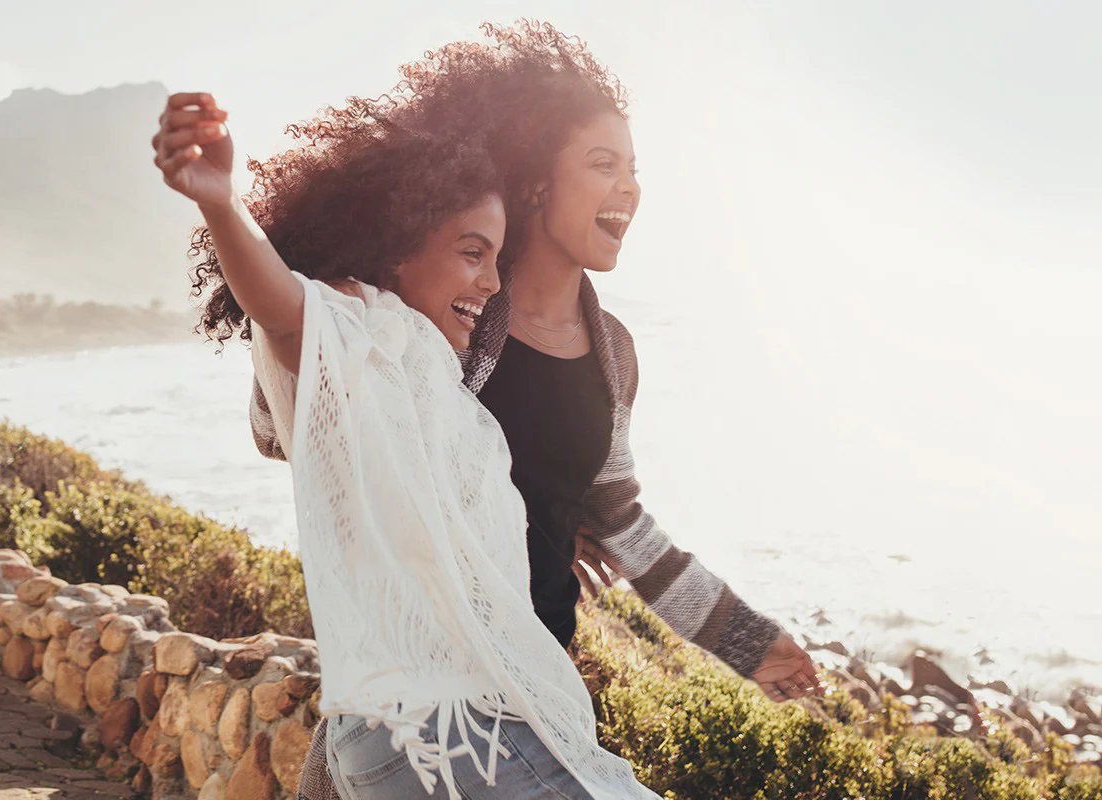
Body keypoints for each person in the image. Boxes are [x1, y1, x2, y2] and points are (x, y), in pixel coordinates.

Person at [232, 23, 820, 800]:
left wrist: (751, 643)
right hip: (433, 704)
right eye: (603, 164)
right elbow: (289, 429)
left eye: (635, 171)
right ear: (539, 181)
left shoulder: (612, 352)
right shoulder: (452, 305)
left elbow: (624, 522)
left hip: (534, 687)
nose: (630, 189)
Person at [153, 72, 658, 796]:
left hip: (449, 727)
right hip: (449, 731)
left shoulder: (433, 377)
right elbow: (283, 309)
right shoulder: (367, 330)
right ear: (396, 253)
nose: (491, 284)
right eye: (472, 252)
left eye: (497, 258)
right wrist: (222, 201)